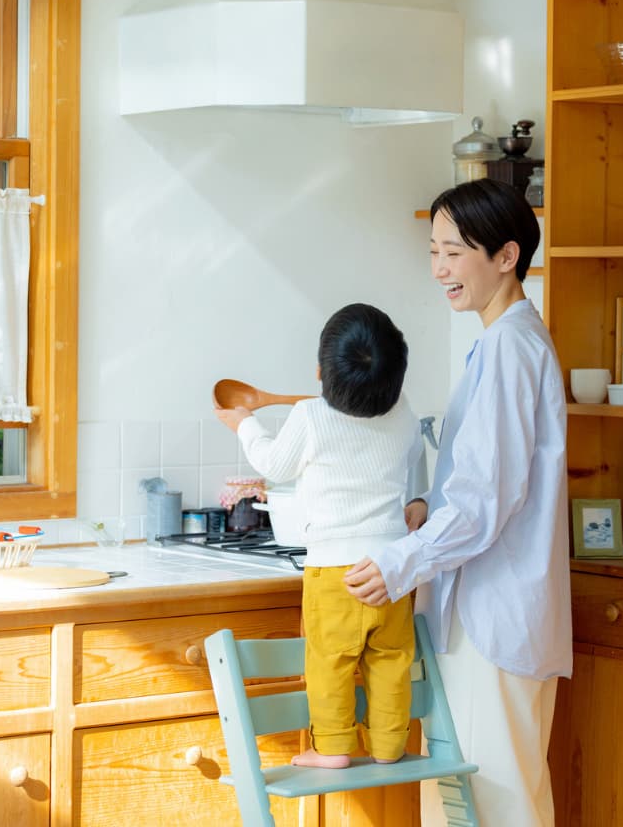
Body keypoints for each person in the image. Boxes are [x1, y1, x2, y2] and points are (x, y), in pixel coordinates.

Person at [344, 179, 571, 826]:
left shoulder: (509, 347)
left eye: (454, 252)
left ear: (506, 256)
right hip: (491, 616)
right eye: (433, 252)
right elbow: (488, 484)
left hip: (491, 621)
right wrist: (426, 509)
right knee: (473, 803)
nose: (440, 269)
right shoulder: (506, 341)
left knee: (489, 804)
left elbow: (483, 504)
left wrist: (400, 563)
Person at [215, 302, 422, 769]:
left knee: (330, 660)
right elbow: (407, 459)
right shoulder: (405, 412)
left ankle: (332, 747)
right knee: (392, 660)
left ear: (320, 373)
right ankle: (390, 746)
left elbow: (273, 464)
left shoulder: (310, 416)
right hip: (391, 568)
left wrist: (245, 423)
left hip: (334, 572)